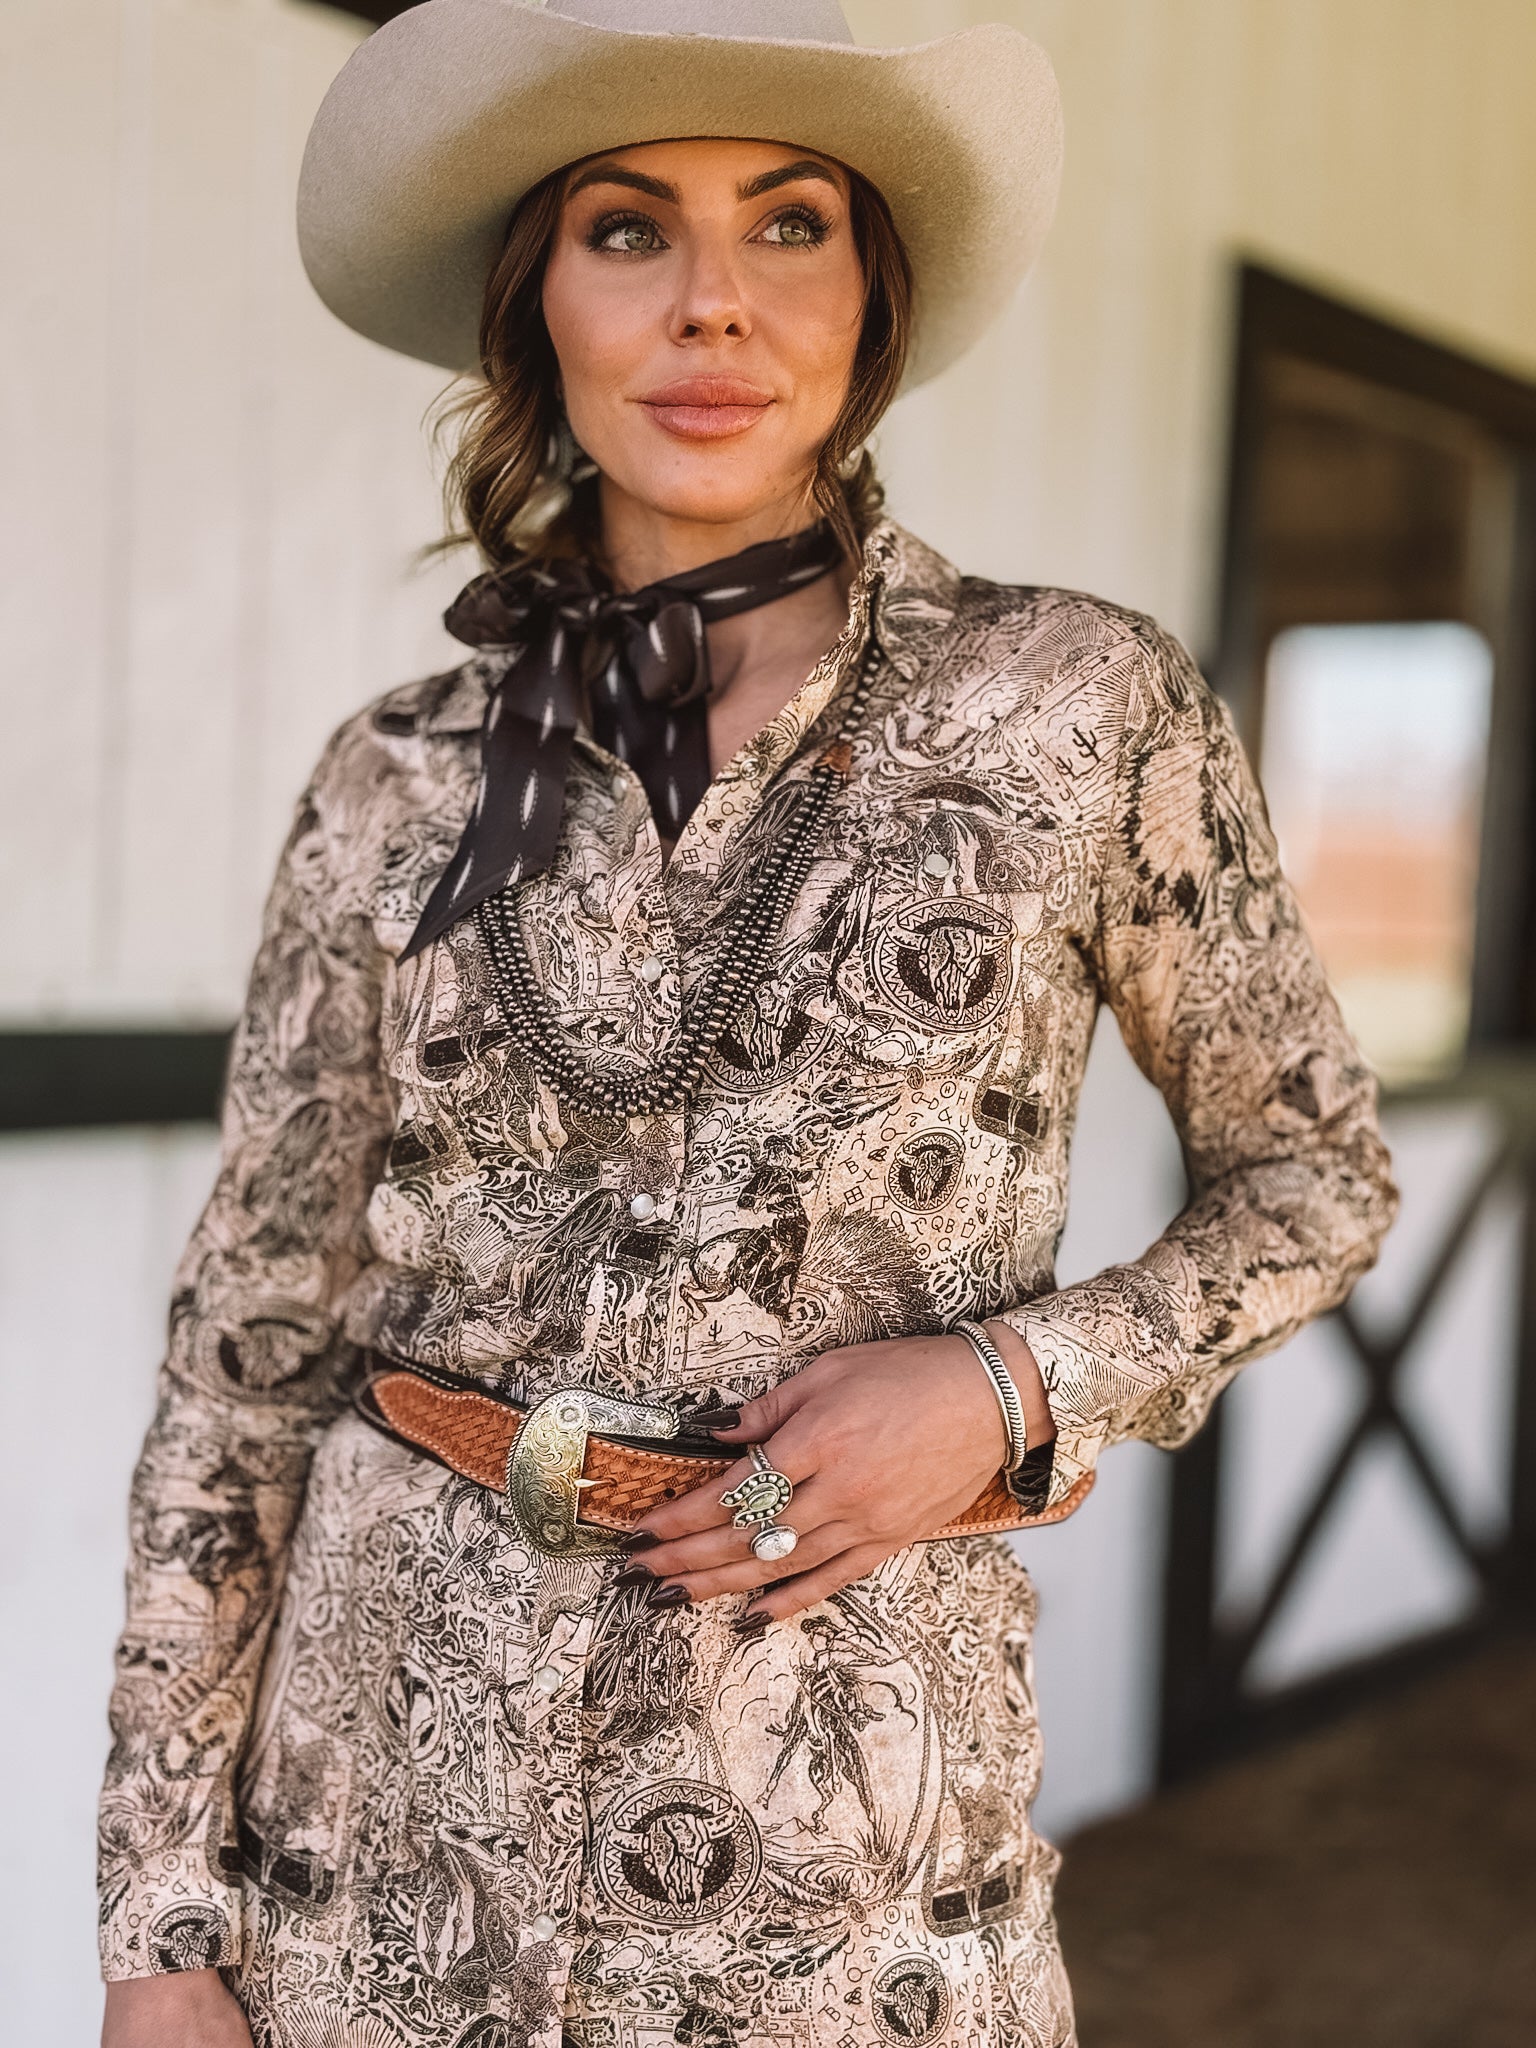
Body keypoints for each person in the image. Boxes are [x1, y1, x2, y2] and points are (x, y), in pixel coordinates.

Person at [98, 4, 1397, 2045]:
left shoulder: (1076, 709)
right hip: (375, 1854)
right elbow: (245, 1351)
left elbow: (1315, 1177)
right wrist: (162, 1924)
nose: (712, 305)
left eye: (788, 226)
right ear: (538, 301)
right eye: (630, 230)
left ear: (873, 300)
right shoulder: (395, 777)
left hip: (849, 1865)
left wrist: (1006, 1379)